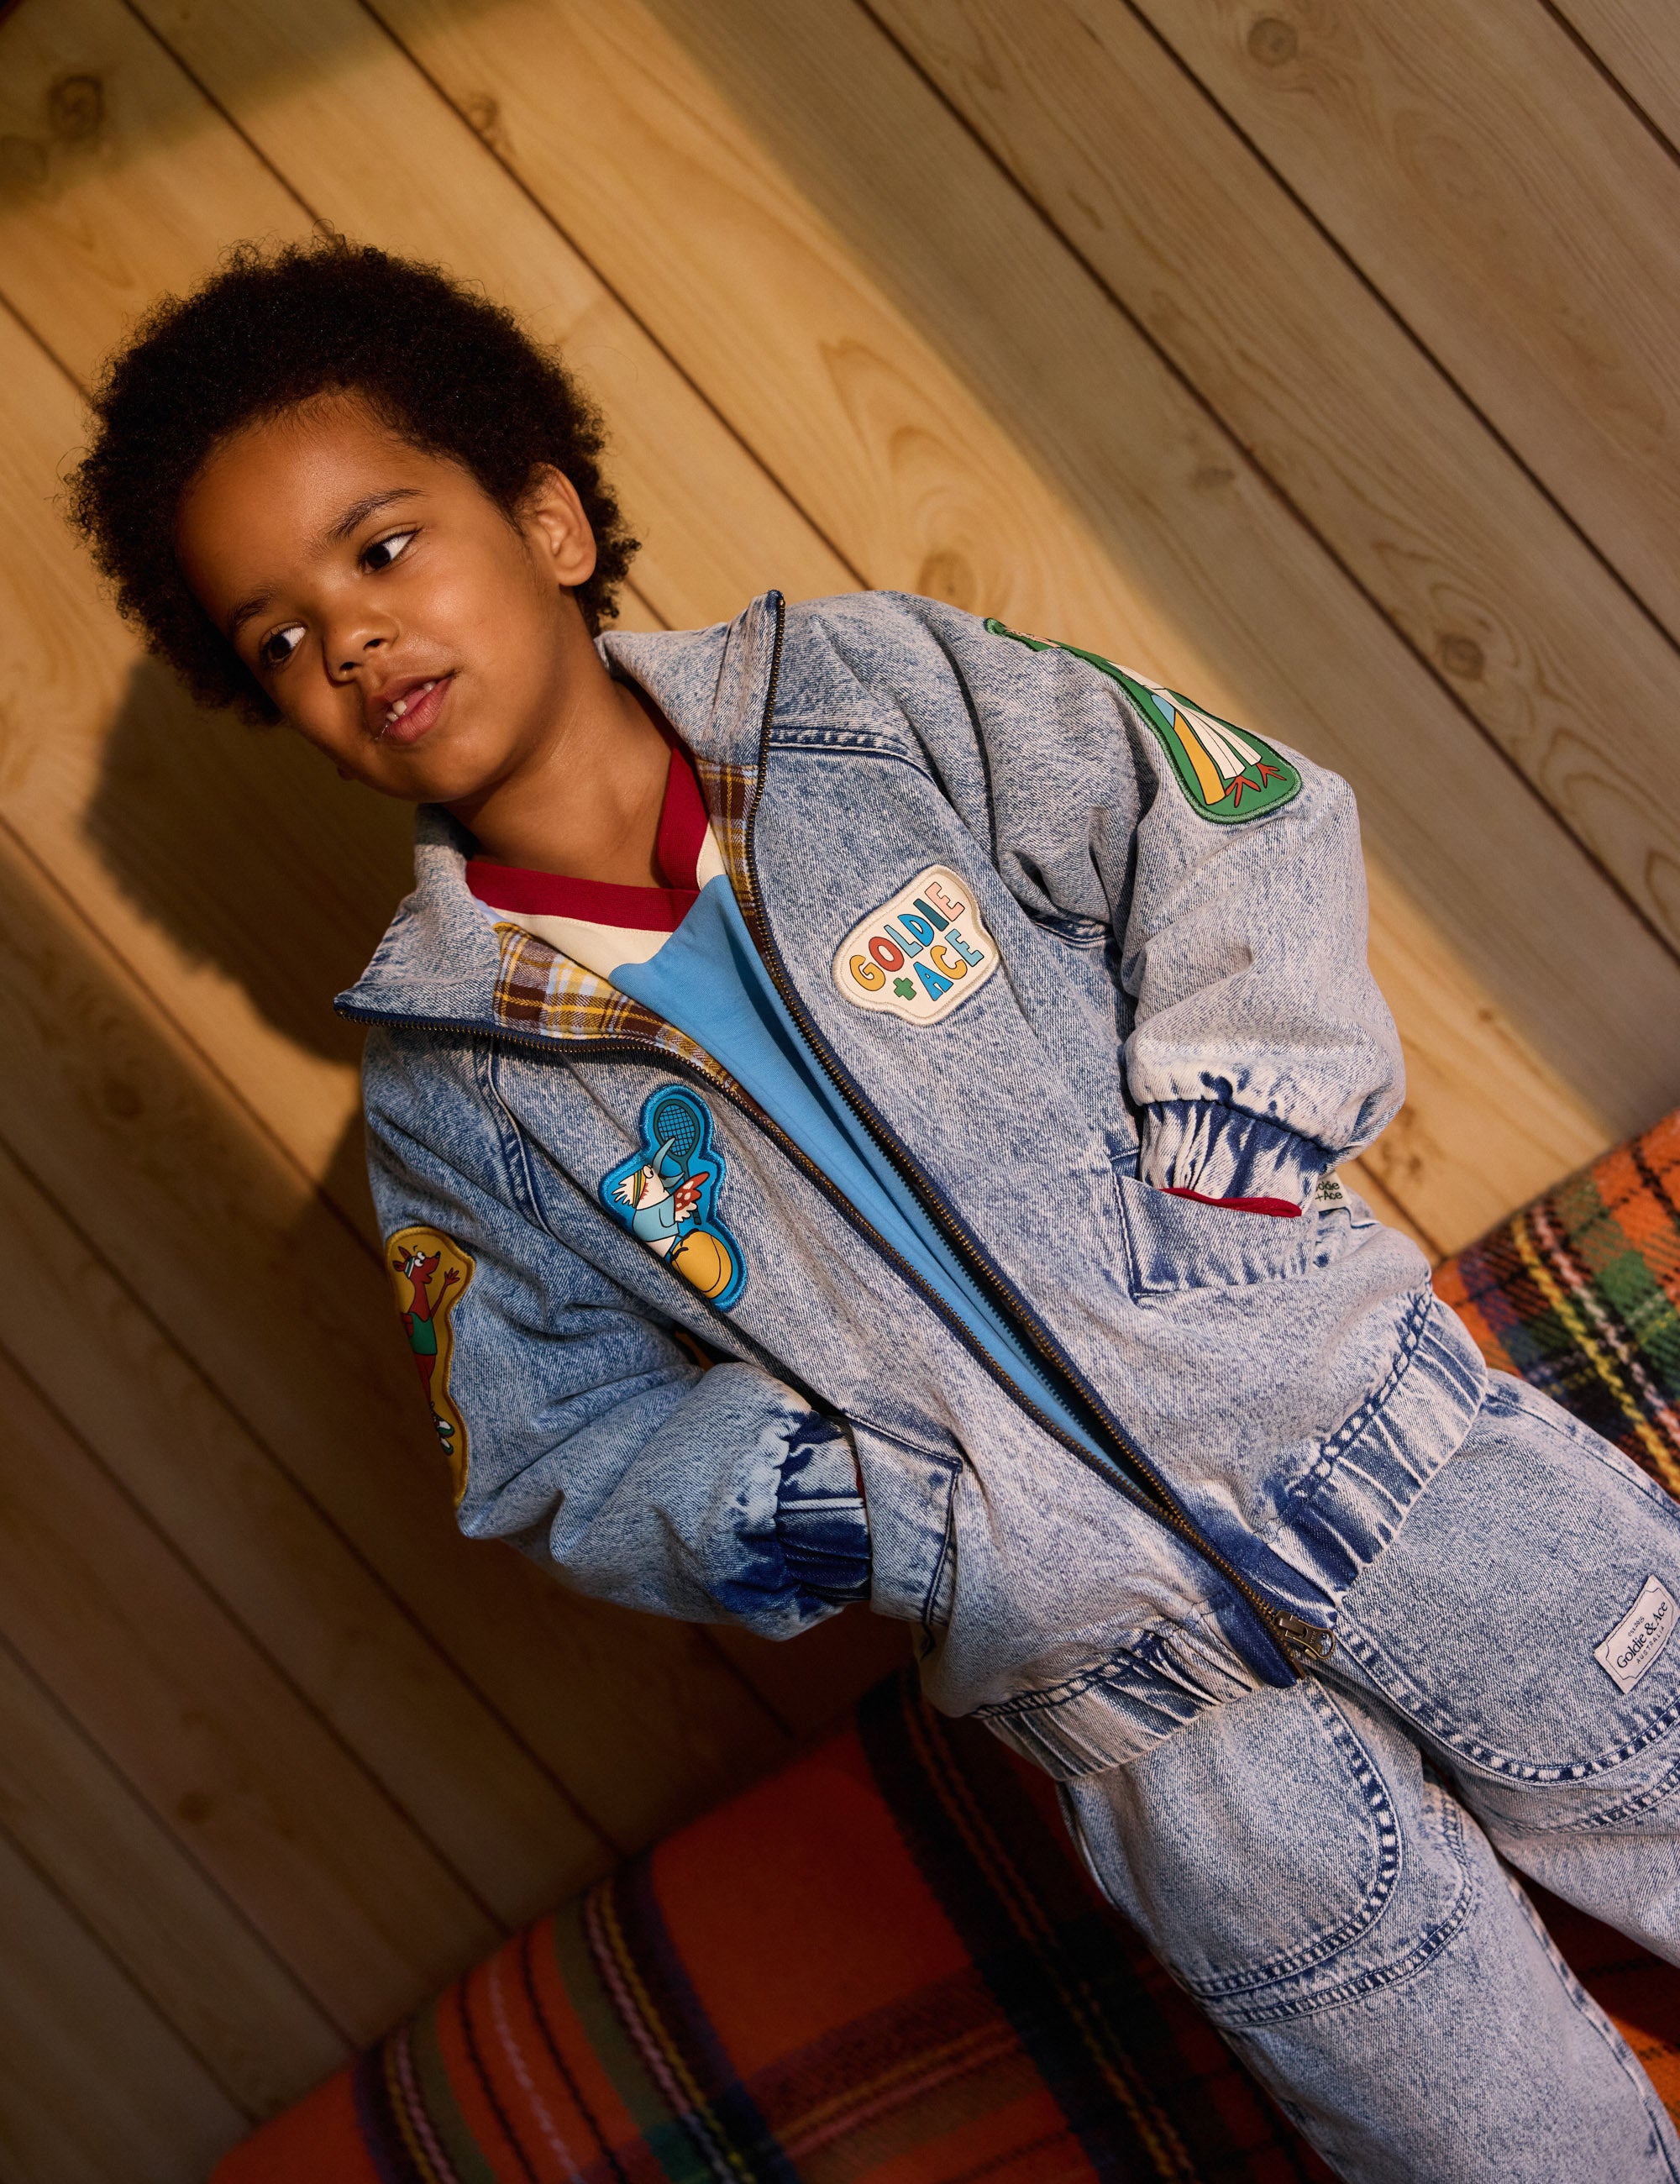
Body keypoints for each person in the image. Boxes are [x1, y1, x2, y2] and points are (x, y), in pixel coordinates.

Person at [66, 236, 1680, 2182]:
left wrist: (1231, 1163)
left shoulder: (873, 697)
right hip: (1155, 1740)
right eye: (277, 634)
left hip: (1435, 1500)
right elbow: (547, 1446)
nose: (350, 638)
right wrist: (854, 1507)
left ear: (551, 516)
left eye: (384, 547)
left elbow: (1230, 812)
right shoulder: (454, 1089)